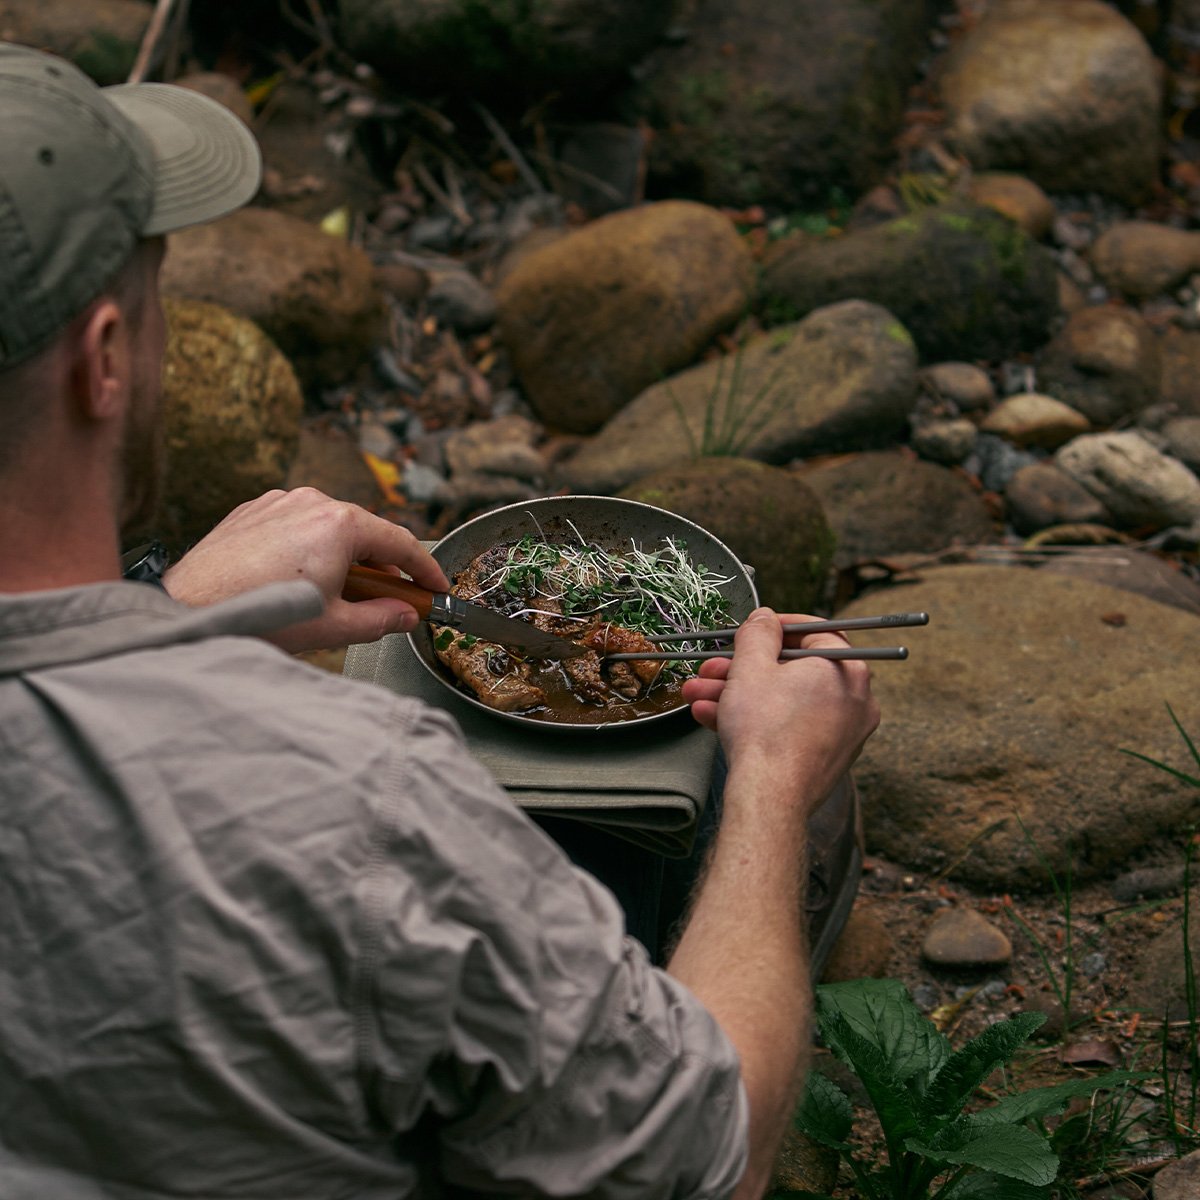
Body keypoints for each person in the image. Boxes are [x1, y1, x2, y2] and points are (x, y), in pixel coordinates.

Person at [0, 42, 880, 1200]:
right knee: (776, 831)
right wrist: (770, 776)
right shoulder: (352, 801)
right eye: (160, 296)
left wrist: (173, 615)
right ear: (106, 360)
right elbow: (703, 1155)